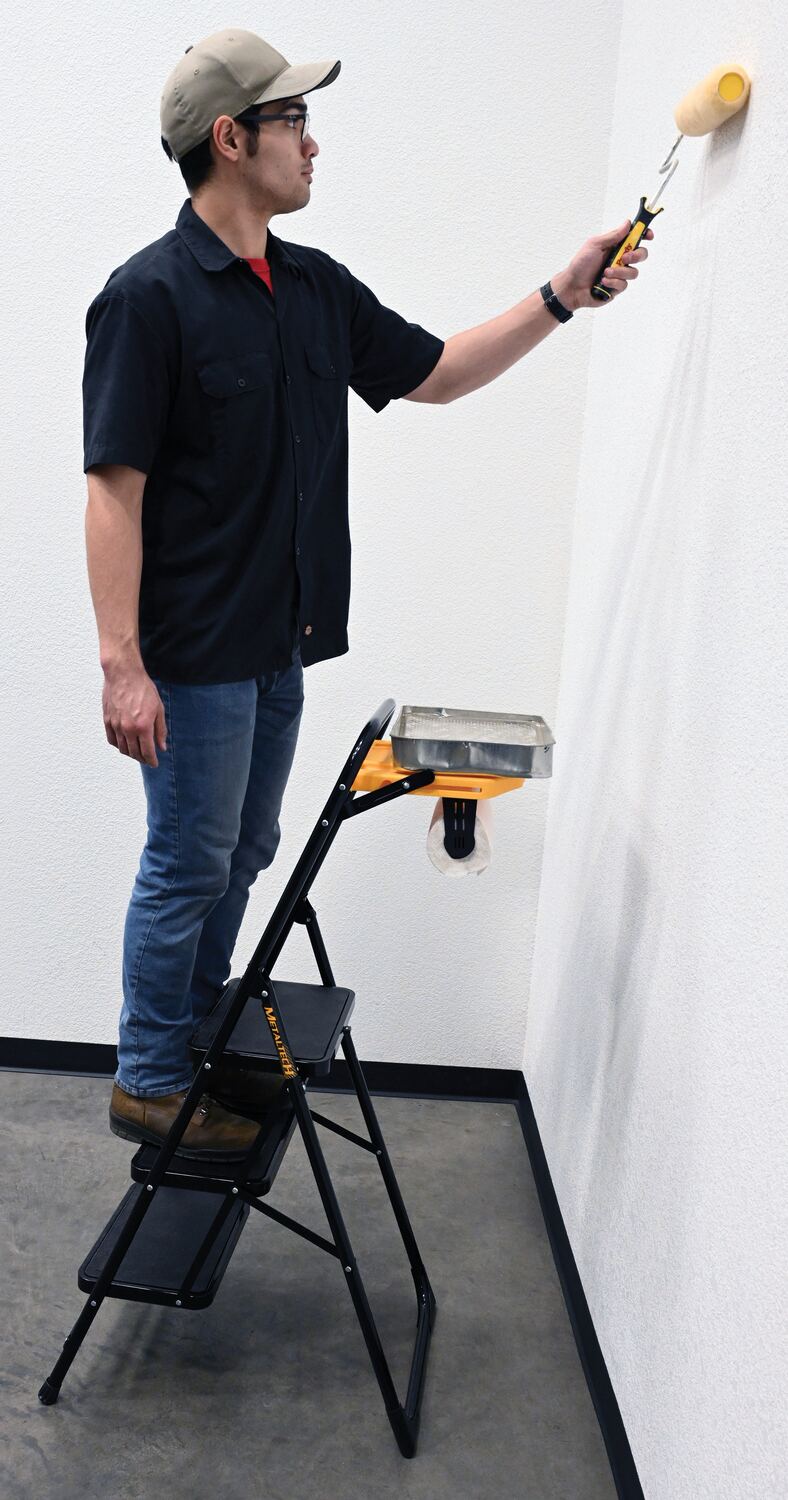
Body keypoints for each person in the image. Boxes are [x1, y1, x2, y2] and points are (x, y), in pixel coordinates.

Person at [83, 27, 653, 1160]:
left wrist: (562, 296)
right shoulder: (146, 298)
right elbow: (113, 491)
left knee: (242, 855)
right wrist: (121, 666)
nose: (311, 142)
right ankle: (147, 1078)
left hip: (278, 647)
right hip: (191, 658)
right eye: (291, 120)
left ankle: (190, 1041)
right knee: (186, 864)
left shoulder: (310, 288)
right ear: (230, 138)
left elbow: (435, 372)